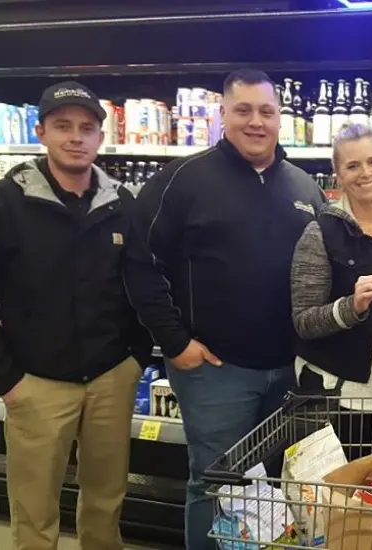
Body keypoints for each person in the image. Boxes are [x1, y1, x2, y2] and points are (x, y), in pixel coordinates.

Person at [123, 69, 326, 550]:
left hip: (287, 371)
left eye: (266, 111)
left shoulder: (303, 187)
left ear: (280, 119)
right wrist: (175, 342)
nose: (256, 122)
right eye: (243, 110)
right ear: (222, 115)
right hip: (215, 370)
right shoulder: (182, 179)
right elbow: (139, 262)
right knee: (217, 483)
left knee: (270, 483)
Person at [0, 81, 151, 550]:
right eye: (63, 126)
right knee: (35, 511)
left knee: (106, 502)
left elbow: (144, 285)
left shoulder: (123, 203)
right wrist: (9, 378)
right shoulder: (3, 203)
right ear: (41, 132)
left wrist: (135, 359)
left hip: (110, 378)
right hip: (35, 382)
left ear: (102, 137)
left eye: (86, 128)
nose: (75, 137)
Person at [291, 123, 372, 459]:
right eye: (352, 165)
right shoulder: (320, 233)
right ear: (337, 173)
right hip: (341, 397)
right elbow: (304, 321)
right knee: (339, 500)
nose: (366, 173)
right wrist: (351, 306)